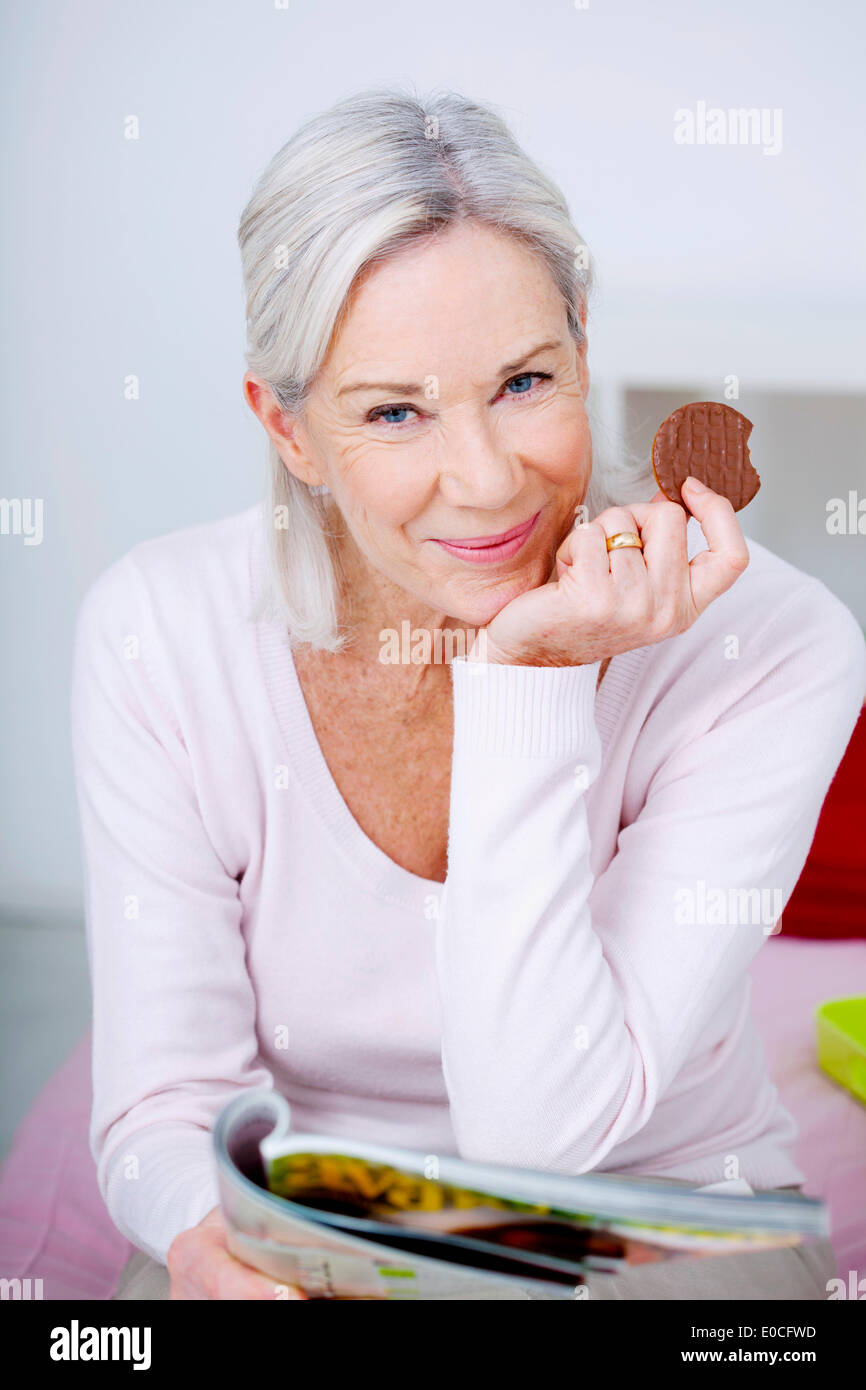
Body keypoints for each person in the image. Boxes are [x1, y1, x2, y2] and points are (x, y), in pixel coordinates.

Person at [70, 88, 863, 1301]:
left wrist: (528, 678)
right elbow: (163, 1105)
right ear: (285, 428)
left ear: (582, 348)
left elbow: (540, 1137)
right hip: (305, 1230)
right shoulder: (159, 632)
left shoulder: (774, 641)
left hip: (653, 1231)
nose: (487, 482)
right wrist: (199, 1236)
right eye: (393, 410)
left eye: (523, 384)